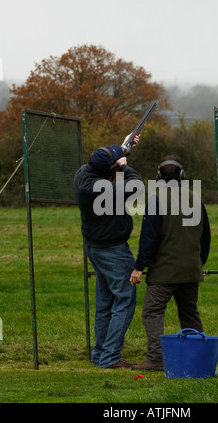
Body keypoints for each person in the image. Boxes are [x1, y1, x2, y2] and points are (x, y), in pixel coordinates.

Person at [130, 155, 211, 371]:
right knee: (189, 312)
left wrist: (139, 267)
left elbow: (149, 239)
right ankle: (198, 356)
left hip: (164, 272)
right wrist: (196, 263)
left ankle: (156, 358)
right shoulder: (197, 200)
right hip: (191, 270)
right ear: (182, 176)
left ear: (158, 178)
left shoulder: (156, 199)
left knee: (152, 311)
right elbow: (206, 238)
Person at [74, 134, 141, 369]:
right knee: (124, 299)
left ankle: (100, 355)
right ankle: (111, 357)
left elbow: (108, 164)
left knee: (105, 303)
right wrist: (125, 165)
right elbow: (135, 186)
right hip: (112, 251)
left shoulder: (85, 172)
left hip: (96, 248)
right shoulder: (101, 190)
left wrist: (125, 148)